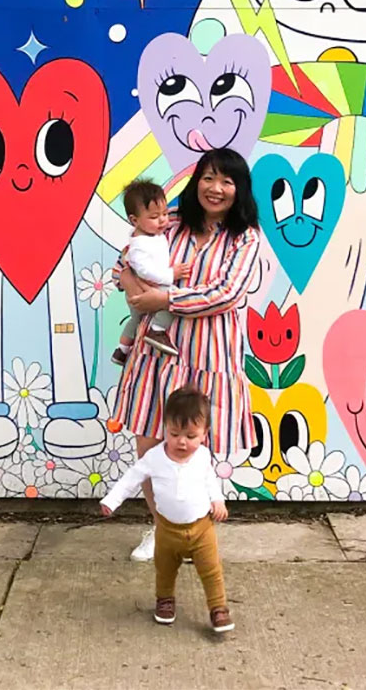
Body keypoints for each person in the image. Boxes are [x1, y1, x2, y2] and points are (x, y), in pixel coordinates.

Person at [112, 147, 260, 562]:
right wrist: (133, 288)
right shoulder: (170, 222)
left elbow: (226, 294)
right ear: (196, 182)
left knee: (193, 450)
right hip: (157, 356)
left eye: (226, 181)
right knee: (150, 446)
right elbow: (125, 260)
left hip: (207, 358)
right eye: (208, 178)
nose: (216, 188)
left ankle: (193, 532)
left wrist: (164, 298)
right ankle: (163, 530)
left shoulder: (245, 238)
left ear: (239, 189)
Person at [101, 385, 233, 633]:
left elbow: (210, 480)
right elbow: (132, 478)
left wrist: (218, 500)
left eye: (191, 436)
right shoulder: (155, 457)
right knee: (165, 570)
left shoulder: (203, 456)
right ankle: (164, 601)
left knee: (211, 570)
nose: (182, 441)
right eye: (174, 433)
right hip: (167, 531)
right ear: (165, 428)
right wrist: (112, 500)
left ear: (204, 434)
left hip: (202, 529)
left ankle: (218, 608)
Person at [111, 180, 192, 364]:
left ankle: (121, 350)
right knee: (174, 301)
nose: (163, 220)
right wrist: (171, 275)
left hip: (143, 290)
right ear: (135, 220)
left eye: (165, 213)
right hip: (149, 287)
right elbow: (144, 271)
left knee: (135, 320)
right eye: (155, 217)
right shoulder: (140, 244)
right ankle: (157, 330)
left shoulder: (152, 234)